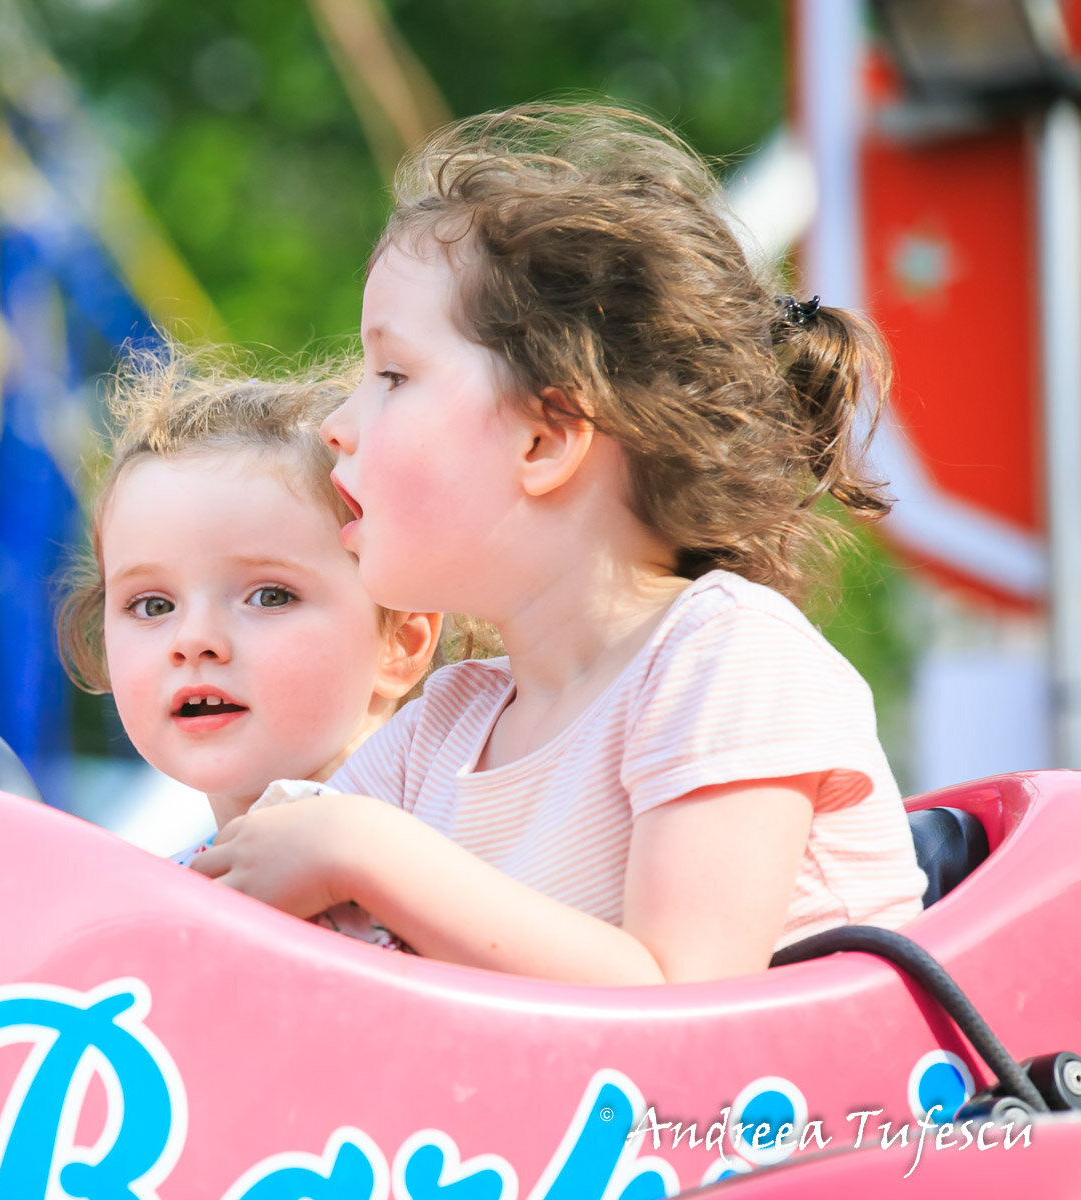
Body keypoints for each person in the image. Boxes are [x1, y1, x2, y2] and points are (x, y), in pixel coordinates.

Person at [190, 103, 927, 985]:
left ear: (546, 440)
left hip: (806, 1126)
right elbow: (251, 932)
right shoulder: (445, 725)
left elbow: (682, 998)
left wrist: (359, 850)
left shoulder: (727, 659)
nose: (337, 427)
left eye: (391, 375)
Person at [59, 354, 471, 846]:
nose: (194, 640)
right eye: (153, 606)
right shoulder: (168, 886)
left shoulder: (453, 864)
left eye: (269, 597)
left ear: (400, 642)